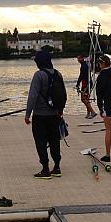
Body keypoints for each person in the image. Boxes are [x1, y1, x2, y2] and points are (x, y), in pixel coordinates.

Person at [25, 50, 66, 179]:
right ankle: (57, 167)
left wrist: (28, 114)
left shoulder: (39, 75)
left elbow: (32, 96)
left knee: (41, 142)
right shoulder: (58, 74)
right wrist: (60, 110)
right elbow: (63, 95)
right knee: (55, 141)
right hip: (55, 115)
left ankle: (45, 169)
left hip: (40, 116)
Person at [75, 54, 97, 119]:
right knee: (86, 98)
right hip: (88, 83)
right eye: (77, 59)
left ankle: (92, 112)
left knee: (83, 99)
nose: (78, 60)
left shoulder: (84, 66)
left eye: (79, 59)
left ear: (83, 58)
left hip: (86, 83)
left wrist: (78, 83)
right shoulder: (85, 64)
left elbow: (81, 75)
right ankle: (88, 113)